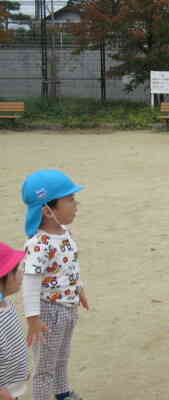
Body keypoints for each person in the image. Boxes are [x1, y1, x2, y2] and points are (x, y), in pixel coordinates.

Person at [21, 170, 87, 400]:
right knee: (44, 367)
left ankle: (62, 391)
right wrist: (33, 320)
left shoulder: (65, 233)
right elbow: (29, 283)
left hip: (68, 307)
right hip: (48, 313)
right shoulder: (39, 244)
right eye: (69, 200)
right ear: (48, 211)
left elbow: (70, 266)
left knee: (62, 356)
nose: (75, 204)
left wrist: (80, 290)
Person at [0, 243, 28, 400]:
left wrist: (21, 371)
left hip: (13, 386)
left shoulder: (6, 304)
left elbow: (13, 343)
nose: (21, 272)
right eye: (16, 270)